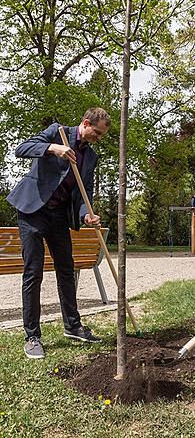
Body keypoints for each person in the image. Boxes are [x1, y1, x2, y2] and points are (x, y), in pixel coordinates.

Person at [7, 107, 111, 359]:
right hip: (33, 211)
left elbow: (82, 192)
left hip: (59, 216)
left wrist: (86, 214)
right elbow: (21, 149)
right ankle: (32, 336)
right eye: (96, 133)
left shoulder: (91, 157)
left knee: (67, 269)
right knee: (34, 272)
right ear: (85, 124)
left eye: (101, 136)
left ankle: (73, 326)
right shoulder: (58, 133)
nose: (98, 138)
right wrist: (53, 148)